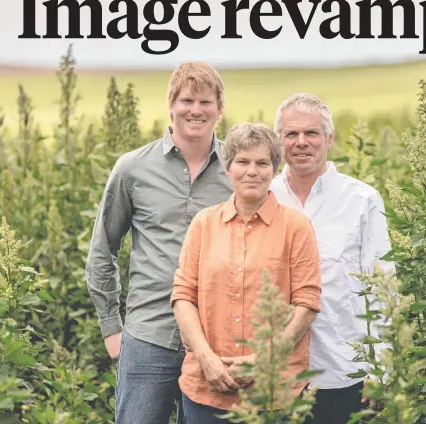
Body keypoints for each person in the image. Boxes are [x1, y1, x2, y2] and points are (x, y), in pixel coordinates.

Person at [85, 62, 233, 424]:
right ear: (171, 105)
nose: (195, 110)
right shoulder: (132, 169)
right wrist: (111, 328)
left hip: (218, 343)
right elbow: (102, 251)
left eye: (205, 101)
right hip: (147, 337)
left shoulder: (239, 169)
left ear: (220, 108)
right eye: (186, 100)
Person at [171, 123, 322, 423]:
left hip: (274, 391)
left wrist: (262, 360)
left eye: (262, 163)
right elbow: (183, 295)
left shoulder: (297, 227)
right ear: (228, 168)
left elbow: (307, 305)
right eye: (242, 161)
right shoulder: (204, 224)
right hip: (206, 386)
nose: (252, 171)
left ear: (274, 170)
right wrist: (206, 359)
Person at [269, 93, 395, 424]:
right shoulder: (263, 196)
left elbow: (384, 284)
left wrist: (380, 367)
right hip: (274, 375)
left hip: (344, 371)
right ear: (279, 141)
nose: (301, 143)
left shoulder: (362, 200)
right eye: (291, 134)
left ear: (329, 138)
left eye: (311, 133)